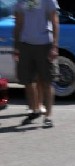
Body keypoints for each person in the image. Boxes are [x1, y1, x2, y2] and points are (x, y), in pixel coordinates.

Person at [13, 0, 59, 128]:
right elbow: (18, 23)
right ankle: (34, 110)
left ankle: (48, 116)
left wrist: (54, 45)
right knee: (27, 80)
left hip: (44, 44)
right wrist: (16, 47)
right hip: (25, 44)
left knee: (47, 81)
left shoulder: (48, 1)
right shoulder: (21, 1)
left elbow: (54, 21)